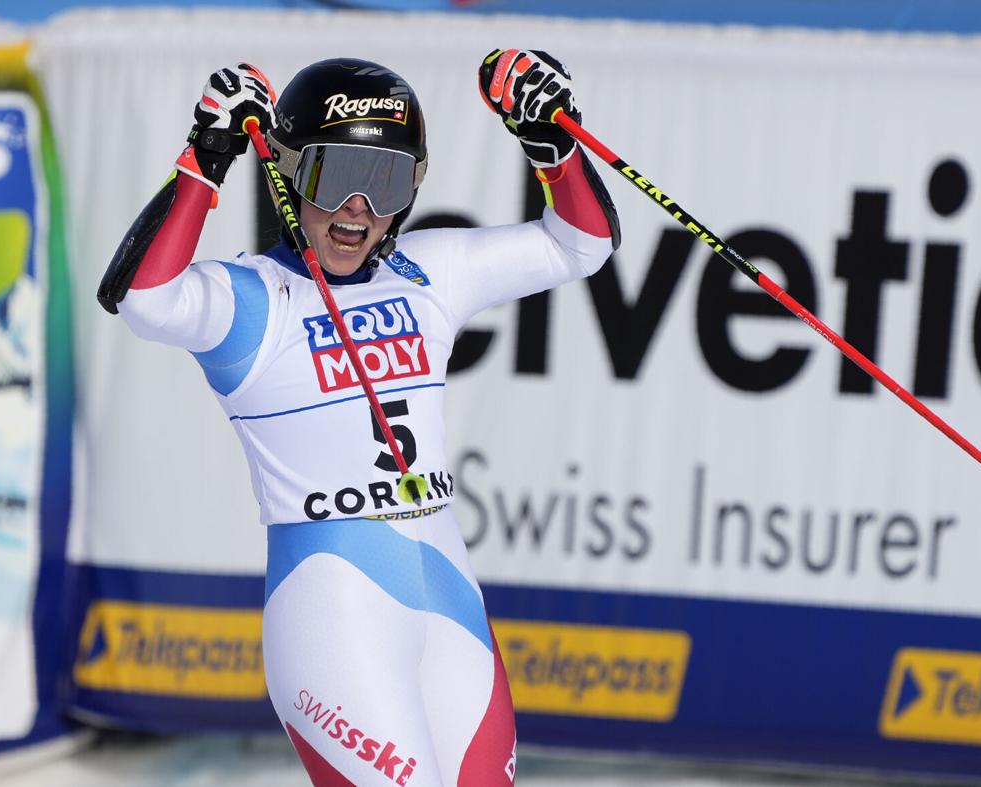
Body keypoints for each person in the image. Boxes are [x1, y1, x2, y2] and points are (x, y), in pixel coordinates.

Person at [97, 51, 619, 786]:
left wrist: (551, 145)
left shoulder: (431, 274)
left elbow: (581, 243)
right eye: (335, 178)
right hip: (332, 612)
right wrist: (206, 157)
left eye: (385, 183)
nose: (358, 210)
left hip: (447, 600)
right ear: (286, 170)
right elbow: (144, 298)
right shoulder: (252, 301)